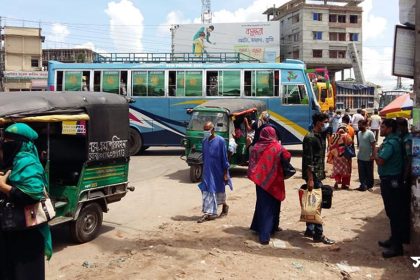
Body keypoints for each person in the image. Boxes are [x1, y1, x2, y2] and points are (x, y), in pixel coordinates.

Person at [0, 123, 52, 280]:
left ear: (21, 143)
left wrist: (3, 187)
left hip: (28, 233)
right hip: (10, 229)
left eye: (10, 140)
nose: (5, 143)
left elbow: (33, 195)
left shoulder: (28, 163)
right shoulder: (11, 161)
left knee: (27, 274)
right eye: (4, 139)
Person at [248, 126, 291, 245]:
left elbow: (251, 163)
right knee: (272, 206)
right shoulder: (278, 147)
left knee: (262, 204)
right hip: (274, 181)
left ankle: (259, 227)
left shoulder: (256, 147)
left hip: (260, 181)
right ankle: (265, 235)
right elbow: (287, 156)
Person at [302, 112, 334, 244]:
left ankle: (310, 229)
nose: (325, 124)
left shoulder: (320, 136)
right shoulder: (310, 138)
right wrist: (310, 179)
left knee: (311, 202)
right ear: (317, 122)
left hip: (317, 174)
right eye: (324, 122)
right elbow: (308, 159)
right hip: (312, 176)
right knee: (317, 204)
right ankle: (318, 234)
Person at [374, 118, 404, 258]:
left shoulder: (391, 143)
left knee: (394, 213)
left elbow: (380, 161)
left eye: (383, 127)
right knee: (392, 212)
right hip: (390, 180)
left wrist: (375, 152)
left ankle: (397, 246)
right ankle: (393, 240)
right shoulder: (391, 141)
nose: (381, 129)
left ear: (390, 129)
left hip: (391, 181)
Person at [197, 121, 231, 223]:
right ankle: (208, 213)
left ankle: (225, 206)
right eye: (204, 130)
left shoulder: (220, 141)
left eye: (207, 129)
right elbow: (204, 156)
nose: (206, 131)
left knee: (219, 191)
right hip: (207, 172)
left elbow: (224, 158)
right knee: (207, 190)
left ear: (213, 130)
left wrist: (225, 173)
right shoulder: (204, 142)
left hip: (218, 171)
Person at [396, 117, 412, 246]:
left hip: (404, 176)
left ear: (402, 127)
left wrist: (405, 178)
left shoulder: (407, 139)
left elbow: (408, 160)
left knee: (403, 208)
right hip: (402, 174)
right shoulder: (402, 138)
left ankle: (404, 236)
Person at [328, 124, 352, 190]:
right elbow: (350, 143)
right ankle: (344, 185)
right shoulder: (347, 136)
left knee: (336, 169)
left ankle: (336, 182)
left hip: (336, 156)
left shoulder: (334, 135)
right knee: (344, 169)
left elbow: (330, 144)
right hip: (344, 156)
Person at [356, 119, 376, 192]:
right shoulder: (358, 133)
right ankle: (363, 185)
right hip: (360, 156)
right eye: (358, 125)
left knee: (369, 172)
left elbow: (373, 145)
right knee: (361, 172)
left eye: (360, 125)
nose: (359, 126)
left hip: (368, 157)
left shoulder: (370, 133)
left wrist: (373, 155)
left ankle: (369, 185)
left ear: (365, 125)